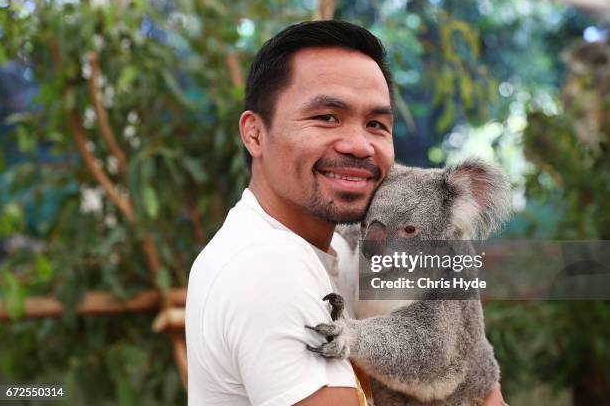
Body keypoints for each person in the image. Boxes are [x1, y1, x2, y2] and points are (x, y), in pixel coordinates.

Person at [185, 20, 506, 406]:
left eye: (375, 124)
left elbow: (452, 353)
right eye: (326, 117)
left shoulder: (335, 247)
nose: (359, 145)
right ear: (255, 134)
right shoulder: (269, 263)